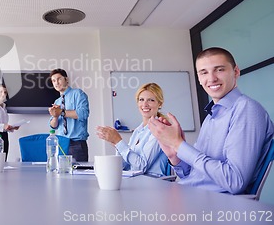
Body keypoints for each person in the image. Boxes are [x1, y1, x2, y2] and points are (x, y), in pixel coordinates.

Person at [149, 47, 274, 194]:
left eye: (219, 70)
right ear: (199, 79)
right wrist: (174, 154)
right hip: (191, 196)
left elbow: (234, 181)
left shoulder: (246, 109)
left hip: (216, 206)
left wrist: (179, 144)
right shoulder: (211, 116)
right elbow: (193, 176)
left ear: (236, 72)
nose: (212, 78)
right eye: (204, 72)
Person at [96, 83, 168, 176]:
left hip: (152, 183)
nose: (145, 104)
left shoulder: (160, 129)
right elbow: (123, 166)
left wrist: (119, 142)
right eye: (141, 100)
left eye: (151, 100)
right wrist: (117, 145)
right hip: (135, 180)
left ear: (160, 104)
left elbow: (141, 167)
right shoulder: (138, 131)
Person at [48, 68, 89, 162]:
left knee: (79, 175)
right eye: (53, 81)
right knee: (62, 174)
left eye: (59, 79)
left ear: (66, 79)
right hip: (61, 144)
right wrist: (55, 116)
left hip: (77, 144)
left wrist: (61, 112)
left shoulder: (78, 94)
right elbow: (53, 126)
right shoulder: (57, 101)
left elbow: (83, 114)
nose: (56, 83)